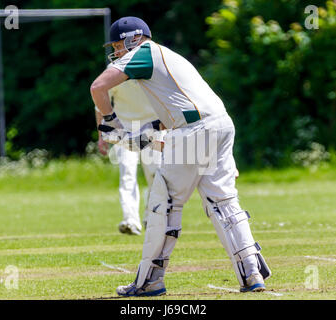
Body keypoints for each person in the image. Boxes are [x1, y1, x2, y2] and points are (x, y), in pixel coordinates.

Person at [90, 16, 271, 296]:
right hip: (219, 125)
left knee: (164, 203)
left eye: (117, 45)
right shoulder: (169, 58)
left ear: (132, 39)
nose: (116, 52)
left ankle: (150, 281)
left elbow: (98, 87)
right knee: (223, 203)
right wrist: (143, 136)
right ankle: (252, 272)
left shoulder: (143, 53)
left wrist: (111, 122)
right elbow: (172, 122)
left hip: (195, 130)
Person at [95, 80, 163, 235]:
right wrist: (101, 136)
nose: (118, 53)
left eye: (122, 52)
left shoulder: (148, 67)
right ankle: (130, 221)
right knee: (127, 175)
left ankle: (151, 216)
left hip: (151, 131)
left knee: (156, 175)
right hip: (124, 131)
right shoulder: (114, 72)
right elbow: (99, 104)